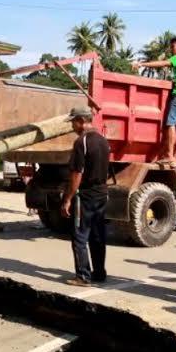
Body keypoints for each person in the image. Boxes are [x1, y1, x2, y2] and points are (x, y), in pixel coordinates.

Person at [61, 106, 111, 287]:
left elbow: (77, 173)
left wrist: (67, 198)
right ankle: (99, 273)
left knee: (79, 236)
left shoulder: (81, 142)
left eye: (73, 122)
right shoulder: (103, 140)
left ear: (81, 121)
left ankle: (83, 276)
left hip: (86, 195)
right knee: (98, 235)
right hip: (101, 193)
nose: (72, 126)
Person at [133, 37, 176, 167]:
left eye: (173, 47)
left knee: (170, 124)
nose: (171, 49)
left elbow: (163, 63)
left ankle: (169, 156)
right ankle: (175, 158)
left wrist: (142, 64)